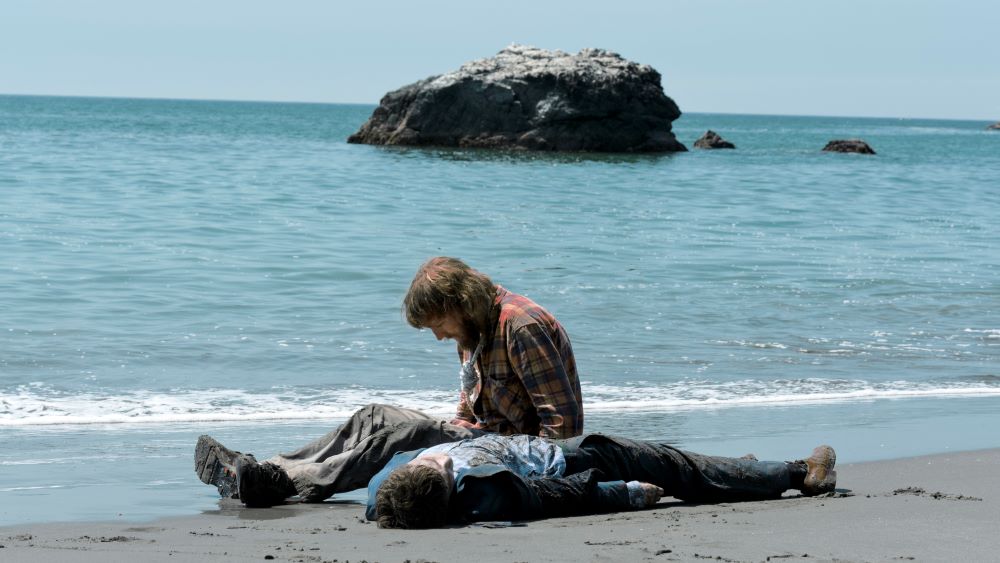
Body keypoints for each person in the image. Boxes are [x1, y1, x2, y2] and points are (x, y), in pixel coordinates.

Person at [195, 256, 583, 507]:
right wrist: (456, 426)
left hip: (518, 456)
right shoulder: (474, 327)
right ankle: (270, 469)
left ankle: (289, 484)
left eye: (438, 325)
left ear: (458, 304)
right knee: (375, 416)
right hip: (489, 435)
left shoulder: (520, 326)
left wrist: (509, 468)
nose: (439, 336)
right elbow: (470, 401)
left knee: (407, 435)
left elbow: (564, 429)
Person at [367, 433, 838, 528]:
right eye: (438, 471)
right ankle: (799, 473)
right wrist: (626, 495)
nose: (436, 462)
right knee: (666, 464)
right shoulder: (482, 493)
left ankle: (735, 474)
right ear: (448, 488)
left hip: (538, 446)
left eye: (425, 464)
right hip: (565, 461)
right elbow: (555, 497)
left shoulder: (384, 492)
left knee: (681, 466)